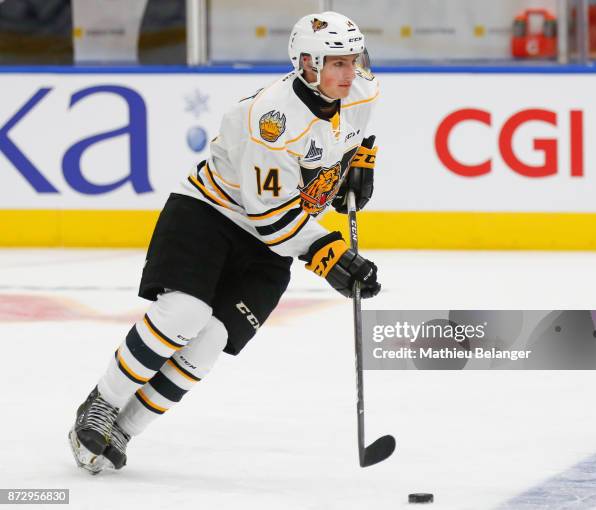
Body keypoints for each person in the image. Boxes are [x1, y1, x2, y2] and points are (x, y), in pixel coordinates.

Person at [68, 10, 381, 474]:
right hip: (210, 215)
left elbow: (359, 130)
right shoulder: (271, 120)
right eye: (335, 63)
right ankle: (101, 405)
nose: (349, 71)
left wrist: (363, 161)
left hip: (278, 237)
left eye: (352, 60)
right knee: (184, 314)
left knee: (211, 339)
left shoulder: (363, 88)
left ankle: (125, 428)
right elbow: (271, 218)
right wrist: (329, 255)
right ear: (307, 65)